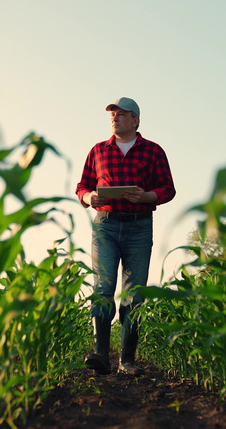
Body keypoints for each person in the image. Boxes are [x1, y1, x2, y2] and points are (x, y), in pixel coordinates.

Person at [75, 97, 176, 376]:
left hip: (139, 227)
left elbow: (168, 189)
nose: (115, 118)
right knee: (103, 290)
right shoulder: (98, 151)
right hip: (105, 225)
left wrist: (147, 196)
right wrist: (89, 196)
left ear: (136, 120)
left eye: (121, 114)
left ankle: (127, 361)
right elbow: (82, 185)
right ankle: (101, 354)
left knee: (133, 295)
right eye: (112, 114)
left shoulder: (153, 151)